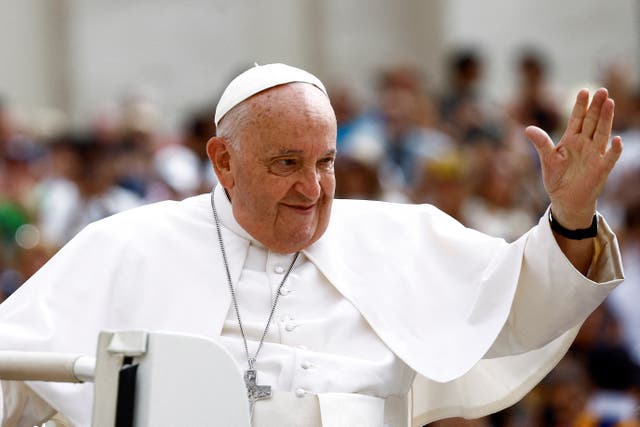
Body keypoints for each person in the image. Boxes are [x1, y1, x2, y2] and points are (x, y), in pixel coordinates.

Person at [0, 63, 625, 426]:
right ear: (223, 161)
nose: (312, 187)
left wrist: (571, 214)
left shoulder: (398, 236)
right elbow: (14, 367)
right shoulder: (128, 246)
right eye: (286, 162)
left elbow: (527, 304)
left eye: (325, 161)